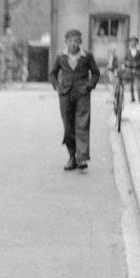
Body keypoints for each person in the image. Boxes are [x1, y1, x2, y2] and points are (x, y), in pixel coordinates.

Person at [49, 28, 100, 171]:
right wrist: (57, 87)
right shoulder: (60, 56)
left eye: (76, 41)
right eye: (71, 41)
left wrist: (89, 86)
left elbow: (95, 73)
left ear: (80, 42)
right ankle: (72, 156)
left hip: (82, 94)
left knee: (82, 124)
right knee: (68, 127)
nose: (73, 44)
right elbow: (52, 74)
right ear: (66, 42)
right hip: (65, 94)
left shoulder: (87, 56)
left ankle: (82, 158)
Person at [123, 36, 140, 102]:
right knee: (131, 84)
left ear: (136, 43)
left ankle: (139, 98)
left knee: (138, 84)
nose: (132, 43)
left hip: (137, 69)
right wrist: (127, 63)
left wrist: (137, 63)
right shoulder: (128, 51)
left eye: (134, 42)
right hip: (129, 69)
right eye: (131, 42)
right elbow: (125, 60)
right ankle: (132, 98)